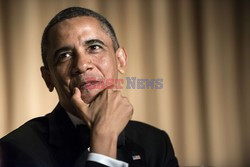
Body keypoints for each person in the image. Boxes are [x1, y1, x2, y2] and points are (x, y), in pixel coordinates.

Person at [0, 7, 179, 167]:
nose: (81, 65)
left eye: (94, 47)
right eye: (65, 55)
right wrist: (103, 140)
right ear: (48, 78)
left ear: (120, 60)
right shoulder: (15, 149)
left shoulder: (156, 143)